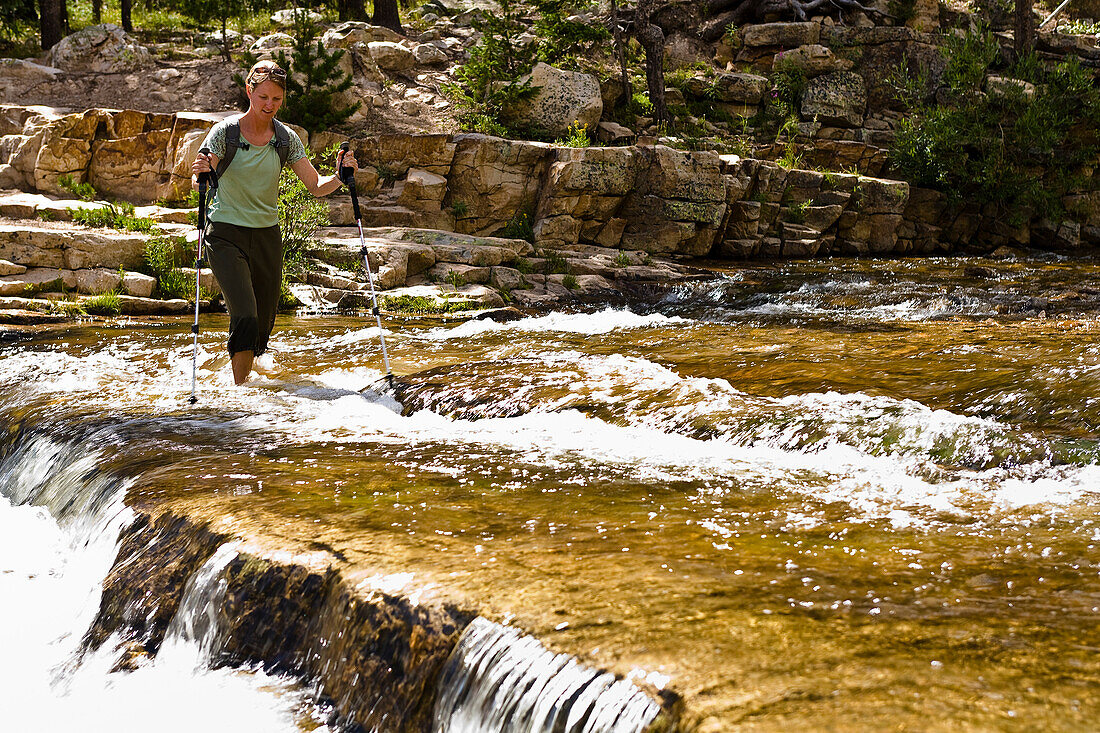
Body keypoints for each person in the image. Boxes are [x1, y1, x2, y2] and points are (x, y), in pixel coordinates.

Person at [191, 60, 357, 385]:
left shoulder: (285, 139)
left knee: (265, 323)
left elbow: (315, 186)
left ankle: (243, 374)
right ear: (249, 91)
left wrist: (340, 175)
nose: (269, 105)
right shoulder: (226, 132)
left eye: (277, 99)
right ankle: (240, 394)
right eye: (263, 96)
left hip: (267, 237)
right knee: (246, 316)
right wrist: (200, 171)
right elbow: (202, 173)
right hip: (225, 234)